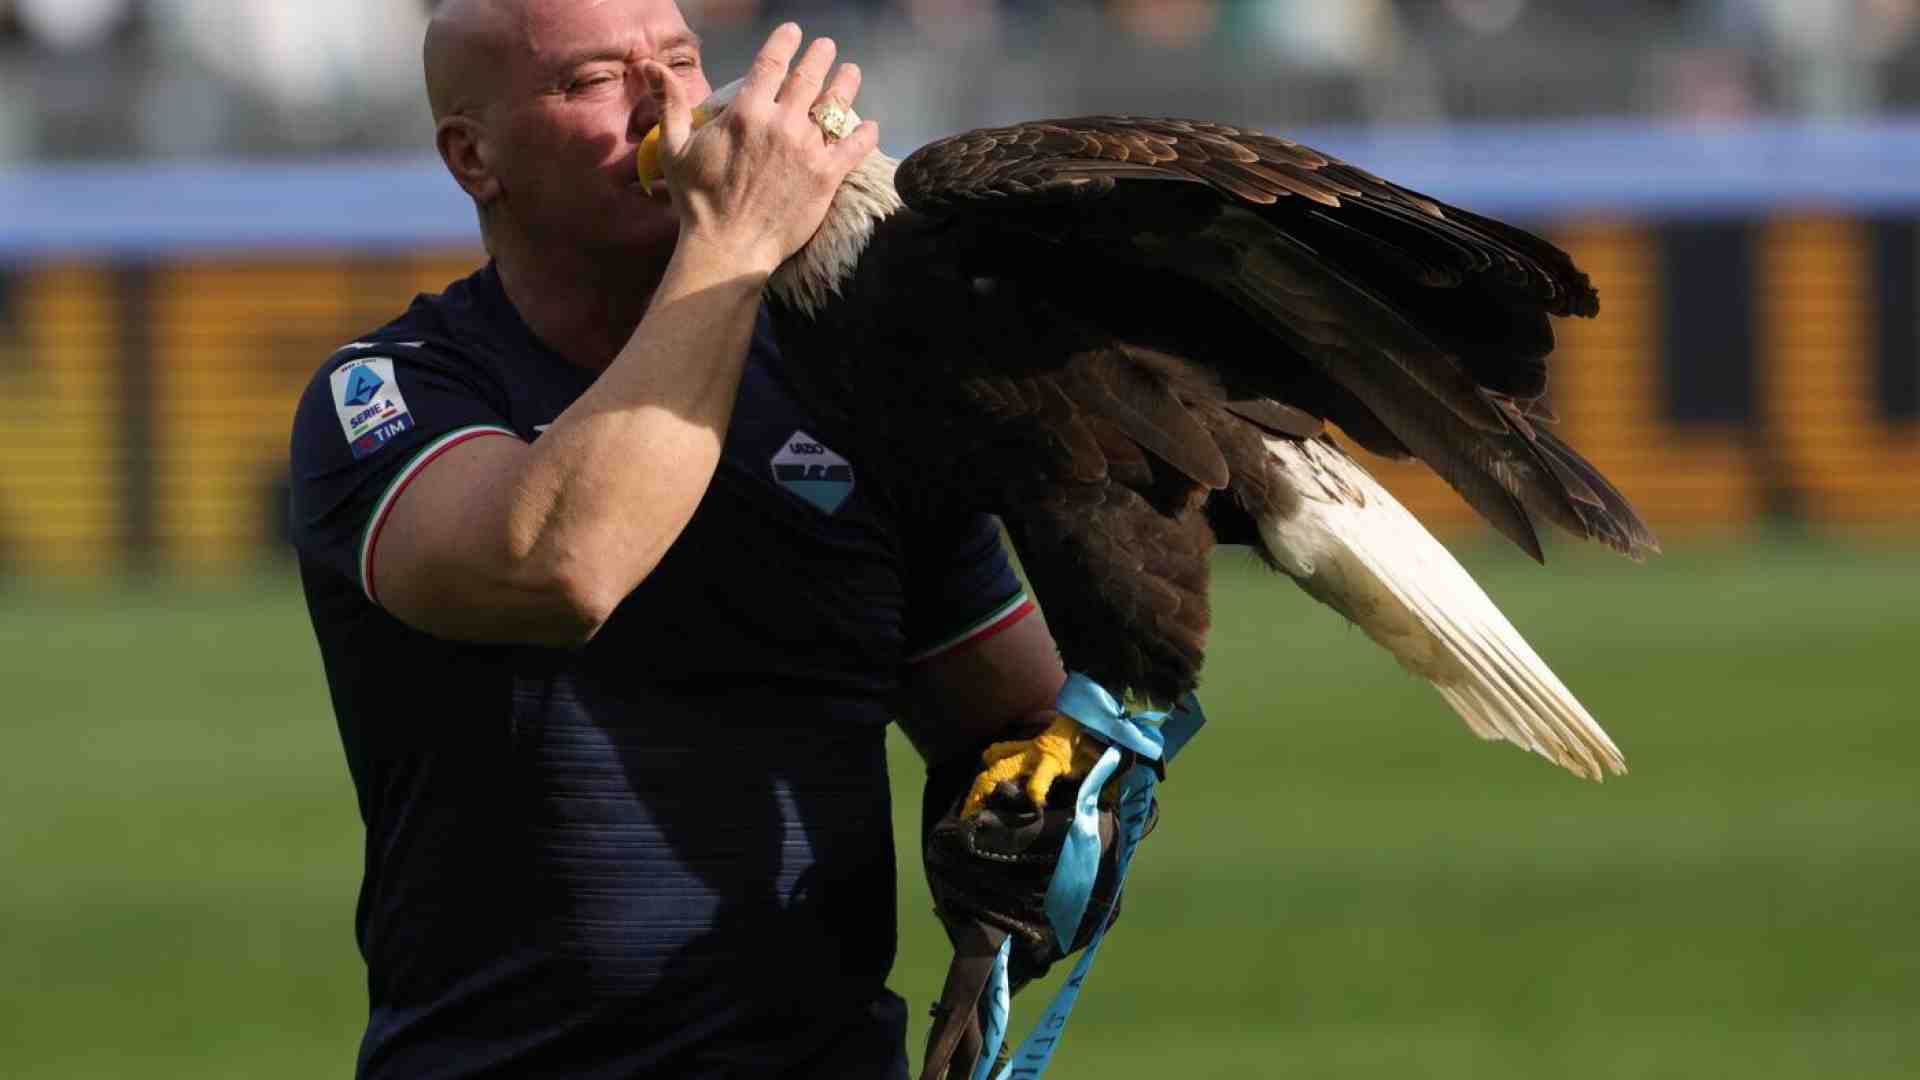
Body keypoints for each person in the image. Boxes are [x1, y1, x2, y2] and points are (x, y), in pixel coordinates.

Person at [286, 1, 1067, 1075]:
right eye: (595, 80)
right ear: (475, 156)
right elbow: (562, 567)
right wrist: (739, 237)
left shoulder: (851, 382)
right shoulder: (391, 392)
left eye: (684, 60)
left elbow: (1016, 714)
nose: (669, 104)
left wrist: (1054, 825)